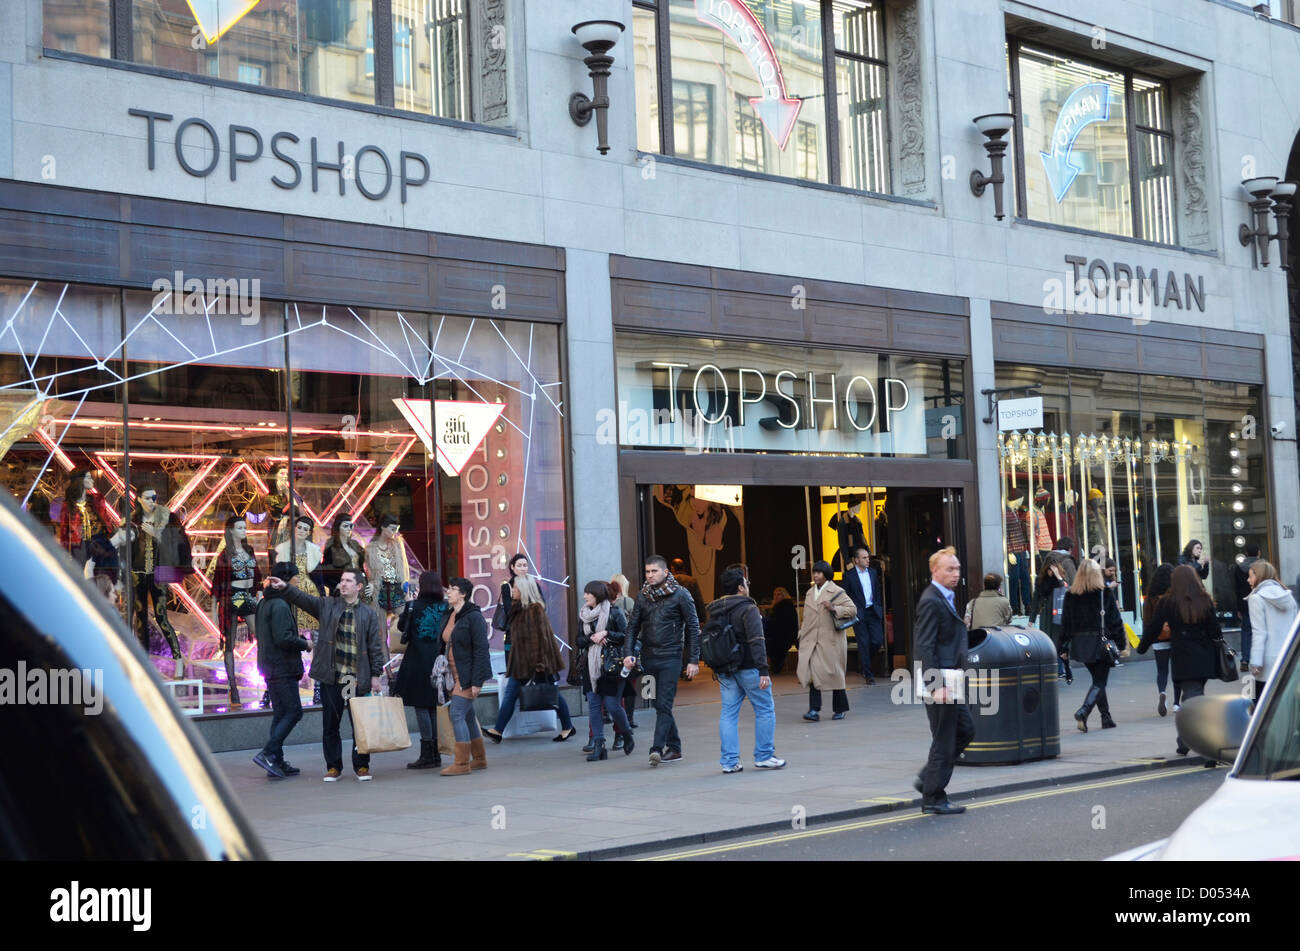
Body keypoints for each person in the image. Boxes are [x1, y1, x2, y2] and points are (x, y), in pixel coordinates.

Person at [267, 567, 385, 781]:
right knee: (331, 724)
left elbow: (375, 647)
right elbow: (304, 599)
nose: (343, 584)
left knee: (360, 724)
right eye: (342, 580)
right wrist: (285, 588)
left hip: (356, 678)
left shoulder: (368, 614)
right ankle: (333, 766)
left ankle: (362, 765)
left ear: (359, 586)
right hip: (333, 676)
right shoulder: (328, 605)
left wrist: (376, 674)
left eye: (349, 581)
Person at [624, 554, 701, 766]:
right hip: (649, 659)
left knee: (664, 703)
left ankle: (656, 748)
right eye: (647, 571)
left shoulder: (681, 595)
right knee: (657, 703)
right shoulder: (642, 596)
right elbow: (632, 627)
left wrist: (693, 660)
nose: (649, 575)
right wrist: (628, 653)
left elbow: (694, 628)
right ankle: (675, 747)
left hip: (671, 657)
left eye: (654, 571)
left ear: (665, 572)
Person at [1139, 565, 1222, 758]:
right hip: (1204, 657)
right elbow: (1215, 631)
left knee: (1192, 698)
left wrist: (1142, 647)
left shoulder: (1168, 602)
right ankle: (1185, 741)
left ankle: (1203, 742)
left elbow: (1154, 627)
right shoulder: (1205, 600)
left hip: (1183, 657)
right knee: (1193, 696)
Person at [708, 564, 785, 773]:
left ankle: (729, 761)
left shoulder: (715, 610)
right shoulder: (748, 608)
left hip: (725, 668)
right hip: (750, 667)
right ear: (741, 587)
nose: (748, 586)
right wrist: (763, 670)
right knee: (765, 709)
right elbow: (757, 640)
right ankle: (764, 755)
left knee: (729, 713)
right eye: (746, 583)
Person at [913, 547, 972, 815]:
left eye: (957, 568)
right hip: (940, 682)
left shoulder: (944, 598)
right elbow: (924, 647)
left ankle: (929, 779)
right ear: (935, 571)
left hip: (951, 680)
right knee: (944, 739)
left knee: (965, 730)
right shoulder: (931, 600)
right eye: (950, 569)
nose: (956, 573)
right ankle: (934, 797)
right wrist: (936, 686)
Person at [483, 573, 576, 743]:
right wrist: (505, 592)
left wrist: (539, 664)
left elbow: (539, 638)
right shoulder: (519, 608)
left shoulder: (534, 610)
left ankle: (568, 726)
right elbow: (507, 615)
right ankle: (498, 730)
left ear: (524, 590)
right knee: (514, 693)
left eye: (516, 588)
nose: (513, 590)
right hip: (522, 662)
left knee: (551, 693)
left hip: (535, 663)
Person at [252, 562, 311, 779]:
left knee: (281, 713)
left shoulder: (265, 603)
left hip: (270, 665)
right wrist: (305, 644)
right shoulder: (280, 605)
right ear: (286, 580)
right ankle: (268, 753)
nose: (298, 582)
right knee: (293, 711)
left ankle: (275, 760)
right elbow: (284, 638)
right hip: (281, 666)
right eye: (296, 578)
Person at [394, 571, 452, 770]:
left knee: (421, 706)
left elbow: (402, 628)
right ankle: (435, 752)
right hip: (439, 663)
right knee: (433, 705)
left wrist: (408, 604)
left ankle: (427, 753)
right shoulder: (446, 607)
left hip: (417, 661)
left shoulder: (413, 606)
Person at [1059, 559, 1124, 733]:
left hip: (1080, 645)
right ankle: (1083, 711)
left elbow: (1066, 624)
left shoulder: (1071, 594)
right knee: (1100, 681)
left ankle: (1106, 717)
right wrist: (1122, 644)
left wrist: (1063, 648)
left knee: (1098, 680)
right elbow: (1115, 621)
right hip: (1100, 643)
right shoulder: (1104, 593)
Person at [440, 577, 493, 776]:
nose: (449, 592)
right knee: (468, 716)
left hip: (467, 674)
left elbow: (481, 649)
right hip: (453, 674)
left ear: (463, 594)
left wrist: (477, 681)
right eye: (449, 588)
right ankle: (479, 759)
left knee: (457, 714)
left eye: (453, 589)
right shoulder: (450, 614)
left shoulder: (474, 617)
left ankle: (461, 763)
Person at [576, 580, 634, 761]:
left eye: (588, 593)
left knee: (612, 705)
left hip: (611, 665)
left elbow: (627, 636)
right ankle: (599, 746)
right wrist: (591, 639)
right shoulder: (584, 615)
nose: (585, 596)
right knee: (594, 706)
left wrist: (607, 634)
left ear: (598, 595)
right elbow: (578, 641)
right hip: (591, 666)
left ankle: (626, 733)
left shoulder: (615, 612)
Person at [796, 560, 857, 721]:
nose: (815, 575)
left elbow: (852, 609)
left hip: (831, 641)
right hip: (811, 641)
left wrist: (834, 608)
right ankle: (814, 710)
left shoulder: (837, 591)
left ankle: (840, 708)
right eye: (814, 572)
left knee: (835, 675)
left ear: (827, 574)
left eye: (819, 572)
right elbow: (807, 618)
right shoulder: (810, 592)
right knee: (812, 676)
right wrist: (801, 634)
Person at [1245, 560, 1297, 706]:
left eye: (1251, 576)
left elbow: (1259, 633)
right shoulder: (1288, 597)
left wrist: (1255, 662)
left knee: (1259, 707)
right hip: (1287, 658)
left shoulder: (1256, 598)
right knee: (1284, 706)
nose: (1248, 580)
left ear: (1260, 576)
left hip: (1265, 662)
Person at [840, 545, 884, 684]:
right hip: (859, 613)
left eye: (868, 557)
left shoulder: (872, 572)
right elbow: (844, 595)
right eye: (864, 558)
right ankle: (868, 675)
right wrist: (851, 610)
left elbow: (877, 591)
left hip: (873, 611)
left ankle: (864, 662)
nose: (868, 560)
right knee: (863, 643)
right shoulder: (848, 575)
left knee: (877, 641)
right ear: (856, 560)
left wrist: (878, 605)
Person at [1142, 564, 1176, 717]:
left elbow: (1147, 618)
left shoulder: (1150, 596)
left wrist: (1147, 637)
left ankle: (1162, 692)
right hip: (1175, 636)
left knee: (1162, 670)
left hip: (1157, 637)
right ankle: (1177, 703)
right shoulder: (1174, 594)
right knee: (1177, 670)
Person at [608, 575, 639, 735]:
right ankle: (628, 718)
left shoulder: (608, 606)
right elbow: (633, 627)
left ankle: (612, 717)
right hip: (627, 650)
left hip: (612, 653)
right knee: (629, 685)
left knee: (616, 686)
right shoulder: (629, 602)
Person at [1235, 545, 1261, 674]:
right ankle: (1259, 660)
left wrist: (1238, 607)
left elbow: (1237, 589)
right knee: (1260, 631)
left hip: (1245, 604)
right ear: (1258, 553)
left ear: (1245, 553)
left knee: (1246, 632)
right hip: (1261, 602)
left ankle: (1245, 660)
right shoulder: (1262, 567)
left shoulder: (1239, 568)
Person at [764, 587, 799, 676]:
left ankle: (776, 668)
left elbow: (782, 622)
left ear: (783, 595)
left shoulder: (784, 606)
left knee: (774, 649)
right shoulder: (780, 606)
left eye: (779, 594)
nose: (776, 596)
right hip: (780, 634)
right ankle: (776, 668)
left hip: (782, 635)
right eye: (775, 594)